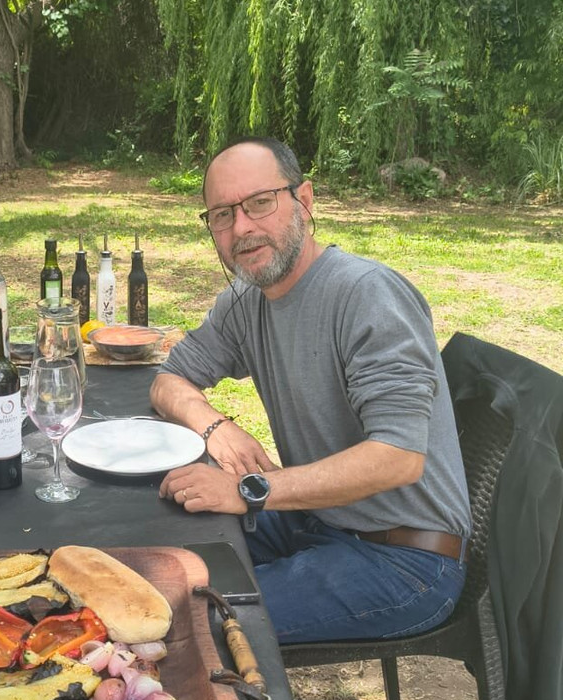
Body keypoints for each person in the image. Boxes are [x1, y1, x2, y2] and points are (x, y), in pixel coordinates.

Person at [151, 136, 471, 643]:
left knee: (191, 624)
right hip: (320, 520)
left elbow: (398, 457)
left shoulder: (367, 295)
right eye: (222, 215)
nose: (242, 229)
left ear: (303, 200)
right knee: (155, 561)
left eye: (260, 203)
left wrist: (247, 491)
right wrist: (215, 426)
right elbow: (169, 378)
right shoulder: (247, 299)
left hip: (406, 559)